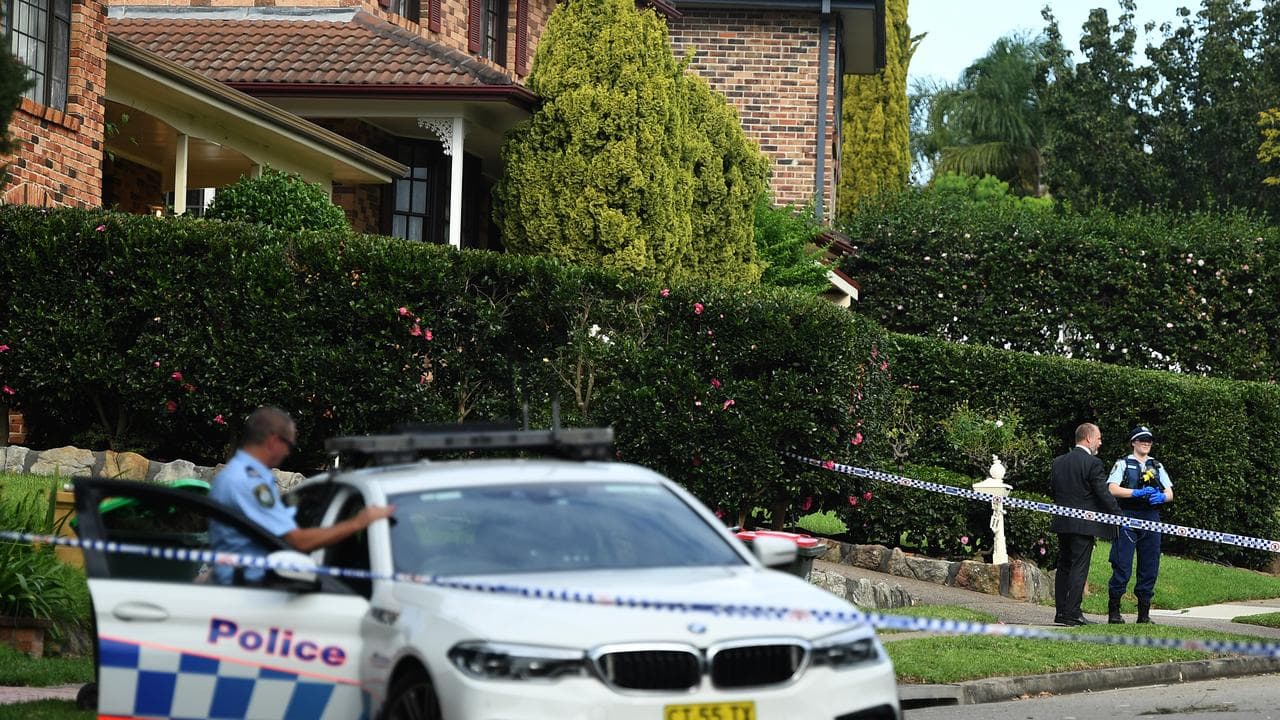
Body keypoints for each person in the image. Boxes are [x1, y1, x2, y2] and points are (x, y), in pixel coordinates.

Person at [209, 406, 394, 585]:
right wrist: (358, 522)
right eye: (288, 444)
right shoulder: (247, 482)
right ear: (273, 441)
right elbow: (298, 541)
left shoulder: (237, 475)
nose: (288, 452)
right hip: (249, 590)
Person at [1049, 422, 1123, 626]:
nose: (1100, 442)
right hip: (1084, 526)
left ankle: (1061, 612)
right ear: (1088, 438)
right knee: (1079, 568)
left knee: (1064, 566)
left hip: (1063, 522)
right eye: (1098, 438)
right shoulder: (1093, 463)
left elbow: (1055, 489)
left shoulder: (1058, 462)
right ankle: (1073, 612)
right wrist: (1118, 515)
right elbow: (1103, 493)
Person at [1105, 425, 1173, 624]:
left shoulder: (1157, 466)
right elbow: (1112, 489)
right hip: (1128, 515)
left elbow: (1170, 493)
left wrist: (1161, 497)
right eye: (1142, 439)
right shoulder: (1123, 463)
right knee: (1122, 563)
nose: (1146, 443)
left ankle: (1144, 614)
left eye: (1149, 440)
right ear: (1133, 442)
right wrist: (1135, 493)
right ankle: (1114, 613)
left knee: (1150, 565)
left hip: (1151, 517)